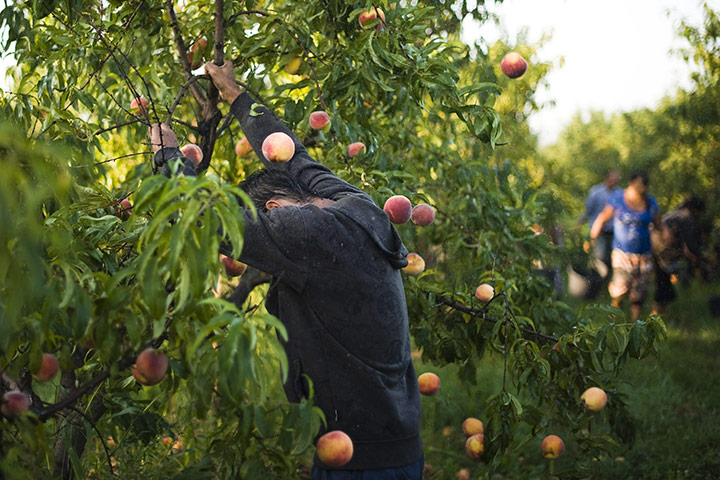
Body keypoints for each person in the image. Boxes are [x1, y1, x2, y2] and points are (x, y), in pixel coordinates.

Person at [148, 61, 424, 479]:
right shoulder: (358, 207)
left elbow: (209, 217)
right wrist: (236, 96)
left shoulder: (309, 232)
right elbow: (296, 160)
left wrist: (168, 157)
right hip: (392, 444)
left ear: (274, 210)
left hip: (361, 462)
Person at [591, 171, 662, 321]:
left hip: (644, 254)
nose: (641, 187)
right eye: (638, 184)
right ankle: (615, 319)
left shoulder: (650, 202)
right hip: (622, 254)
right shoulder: (618, 199)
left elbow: (659, 225)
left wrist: (663, 241)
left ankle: (634, 323)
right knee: (619, 289)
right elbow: (603, 217)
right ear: (631, 183)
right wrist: (592, 237)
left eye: (644, 185)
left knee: (639, 291)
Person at [652, 197, 707, 313]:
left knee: (663, 283)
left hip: (654, 250)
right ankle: (657, 316)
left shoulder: (675, 214)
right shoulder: (687, 219)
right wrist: (699, 259)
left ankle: (659, 314)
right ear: (697, 210)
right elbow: (690, 245)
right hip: (664, 253)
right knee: (665, 286)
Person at [581, 170, 621, 277]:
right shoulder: (596, 192)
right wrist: (580, 223)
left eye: (616, 181)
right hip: (598, 231)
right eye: (612, 180)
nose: (614, 183)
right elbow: (588, 211)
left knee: (612, 257)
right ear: (607, 178)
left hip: (614, 231)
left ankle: (607, 281)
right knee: (599, 257)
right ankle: (594, 281)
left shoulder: (619, 194)